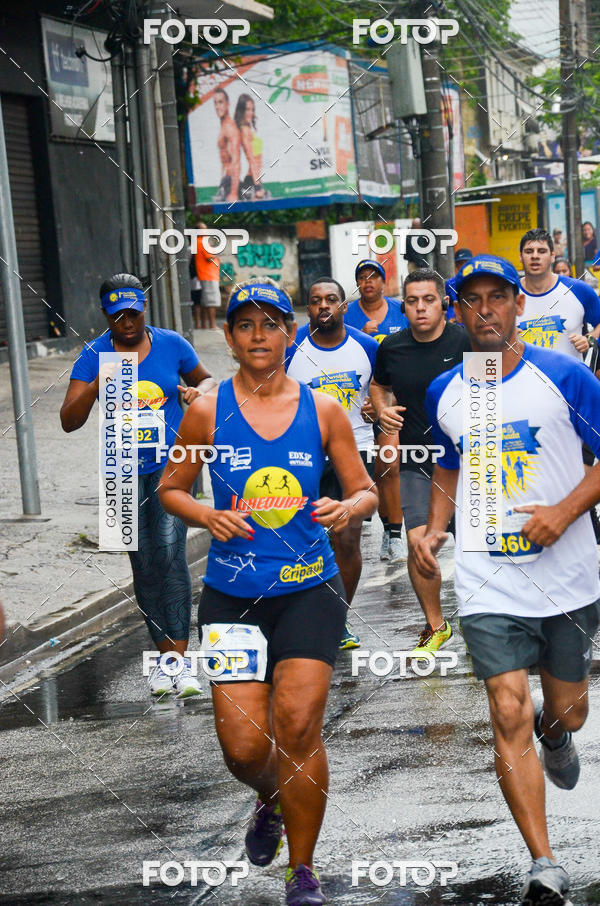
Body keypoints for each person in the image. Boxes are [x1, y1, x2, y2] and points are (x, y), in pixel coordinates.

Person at [159, 279, 377, 906]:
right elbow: (171, 489)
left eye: (271, 324)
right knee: (245, 746)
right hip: (231, 595)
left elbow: (363, 488)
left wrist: (348, 507)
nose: (259, 335)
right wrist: (207, 516)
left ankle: (302, 872)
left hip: (310, 589)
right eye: (245, 325)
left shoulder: (324, 411)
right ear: (228, 338)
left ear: (290, 334)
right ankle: (271, 798)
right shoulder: (205, 410)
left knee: (300, 727)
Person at [414, 254, 600, 906]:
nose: (486, 309)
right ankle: (543, 862)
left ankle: (559, 731)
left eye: (499, 297)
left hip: (569, 577)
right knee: (506, 708)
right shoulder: (448, 391)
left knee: (567, 706)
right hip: (489, 580)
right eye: (474, 299)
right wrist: (434, 528)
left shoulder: (566, 377)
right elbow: (446, 463)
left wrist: (563, 511)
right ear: (460, 311)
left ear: (519, 306)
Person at [60, 274, 216, 698]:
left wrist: (194, 394)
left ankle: (183, 664)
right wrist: (97, 384)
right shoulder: (94, 354)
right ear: (105, 315)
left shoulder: (171, 344)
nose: (127, 322)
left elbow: (208, 380)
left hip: (173, 464)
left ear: (144, 308)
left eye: (134, 312)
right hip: (120, 470)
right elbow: (68, 421)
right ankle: (164, 661)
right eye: (118, 315)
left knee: (169, 553)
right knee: (143, 565)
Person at [370, 269, 471, 656]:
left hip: (466, 462)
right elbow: (379, 385)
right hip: (417, 460)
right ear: (403, 306)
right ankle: (435, 625)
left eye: (428, 299)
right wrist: (382, 410)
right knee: (417, 542)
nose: (420, 308)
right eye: (412, 301)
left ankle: (480, 618)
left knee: (475, 545)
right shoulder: (391, 347)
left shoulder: (466, 341)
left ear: (444, 303)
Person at [286, 276, 379, 650]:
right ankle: (302, 616)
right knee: (308, 540)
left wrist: (377, 408)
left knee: (347, 538)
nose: (323, 306)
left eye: (331, 300)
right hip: (304, 457)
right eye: (315, 301)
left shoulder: (368, 347)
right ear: (307, 308)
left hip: (355, 451)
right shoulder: (291, 351)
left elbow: (384, 393)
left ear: (343, 306)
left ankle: (338, 619)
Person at [345, 259, 408, 561]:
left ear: (384, 281)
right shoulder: (349, 316)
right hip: (354, 405)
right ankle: (348, 533)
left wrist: (386, 400)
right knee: (358, 473)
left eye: (374, 276)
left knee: (388, 465)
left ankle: (393, 534)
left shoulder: (400, 310)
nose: (368, 282)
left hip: (389, 398)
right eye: (362, 277)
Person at [518, 227, 600, 360]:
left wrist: (589, 340)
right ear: (520, 257)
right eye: (529, 251)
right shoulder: (507, 295)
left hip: (570, 380)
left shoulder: (578, 290)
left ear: (552, 256)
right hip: (523, 380)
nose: (535, 256)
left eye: (542, 251)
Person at [234, 93, 266, 201]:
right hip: (251, 181)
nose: (251, 113)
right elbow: (251, 159)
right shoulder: (244, 131)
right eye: (247, 109)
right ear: (241, 111)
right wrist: (257, 187)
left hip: (254, 178)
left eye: (252, 110)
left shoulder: (248, 130)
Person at [213, 87, 241, 204]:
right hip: (225, 182)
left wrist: (233, 192)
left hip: (230, 183)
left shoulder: (230, 127)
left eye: (220, 102)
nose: (217, 106)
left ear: (228, 104)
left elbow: (236, 160)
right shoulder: (223, 125)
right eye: (215, 103)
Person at [194, 222, 221, 331]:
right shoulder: (202, 242)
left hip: (206, 275)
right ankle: (212, 325)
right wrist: (216, 255)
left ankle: (205, 324)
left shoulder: (198, 242)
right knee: (211, 302)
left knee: (206, 301)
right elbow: (209, 257)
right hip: (208, 275)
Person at [446, 247, 473, 321]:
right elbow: (447, 305)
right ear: (456, 265)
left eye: (466, 263)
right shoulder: (450, 284)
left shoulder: (479, 281)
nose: (463, 266)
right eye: (460, 263)